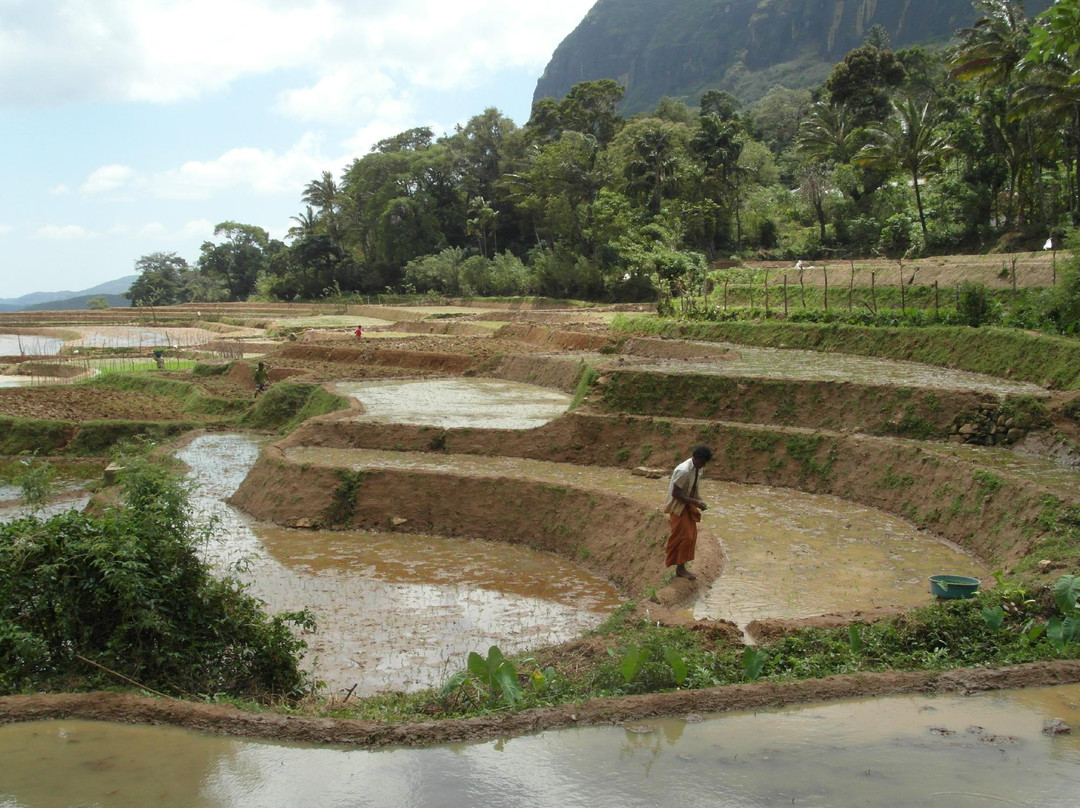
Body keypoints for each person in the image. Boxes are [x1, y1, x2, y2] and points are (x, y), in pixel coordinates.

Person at [662, 445, 713, 581]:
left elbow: (693, 489)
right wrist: (695, 502)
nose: (703, 465)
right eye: (702, 462)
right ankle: (680, 569)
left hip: (688, 504)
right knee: (685, 537)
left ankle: (681, 566)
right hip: (678, 506)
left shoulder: (698, 469)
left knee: (691, 536)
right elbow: (676, 493)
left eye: (704, 463)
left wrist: (699, 501)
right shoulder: (683, 471)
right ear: (695, 459)